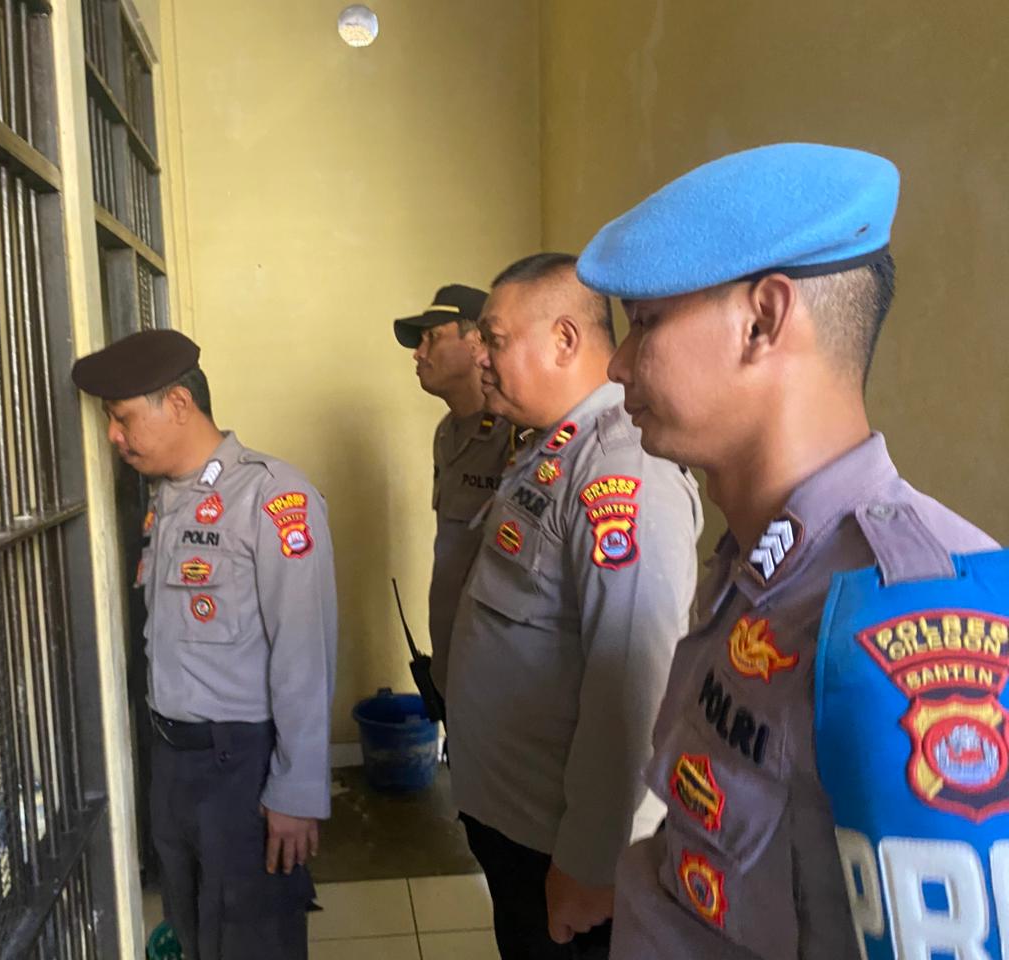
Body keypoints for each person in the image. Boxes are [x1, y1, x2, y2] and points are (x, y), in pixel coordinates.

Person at [575, 143, 1000, 958]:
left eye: (645, 322)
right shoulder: (759, 559)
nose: (618, 363)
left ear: (763, 321)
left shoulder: (912, 623)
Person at [446, 253, 703, 958]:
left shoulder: (622, 470)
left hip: (563, 849)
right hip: (516, 825)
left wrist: (593, 865)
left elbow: (637, 689)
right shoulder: (554, 446)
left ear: (564, 339)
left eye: (494, 339)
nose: (480, 357)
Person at [71, 329, 338, 960]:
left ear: (179, 404)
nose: (113, 436)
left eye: (122, 418)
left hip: (241, 764)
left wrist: (297, 792)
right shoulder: (165, 499)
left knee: (253, 938)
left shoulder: (273, 498)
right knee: (192, 929)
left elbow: (305, 655)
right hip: (173, 761)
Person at [393, 283, 518, 698]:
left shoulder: (518, 437)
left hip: (501, 665)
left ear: (477, 342)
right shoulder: (446, 435)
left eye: (432, 337)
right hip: (453, 654)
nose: (419, 352)